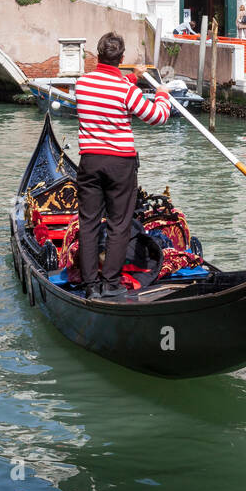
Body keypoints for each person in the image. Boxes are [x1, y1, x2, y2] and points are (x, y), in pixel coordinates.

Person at [74, 31, 171, 301]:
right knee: (119, 224)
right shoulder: (126, 90)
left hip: (90, 162)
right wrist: (162, 94)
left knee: (89, 223)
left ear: (97, 55)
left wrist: (133, 77)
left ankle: (91, 285)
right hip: (120, 164)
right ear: (122, 57)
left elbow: (109, 88)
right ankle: (111, 284)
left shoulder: (82, 84)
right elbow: (157, 116)